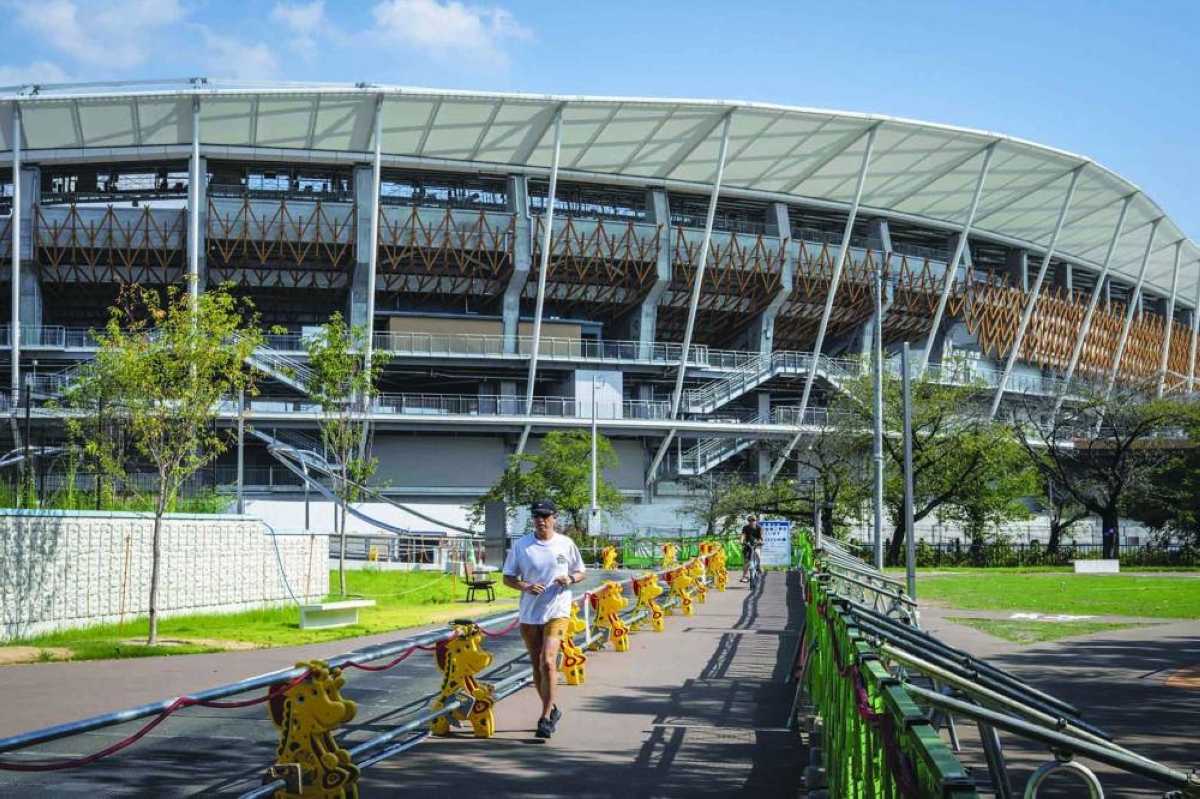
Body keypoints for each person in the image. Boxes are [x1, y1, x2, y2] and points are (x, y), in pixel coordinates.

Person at [502, 498, 586, 739]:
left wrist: (570, 579)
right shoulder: (522, 546)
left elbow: (580, 571)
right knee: (537, 664)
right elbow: (507, 577)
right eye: (536, 516)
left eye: (545, 516)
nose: (540, 520)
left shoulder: (565, 544)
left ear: (554, 518)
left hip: (557, 611)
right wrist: (525, 586)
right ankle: (552, 707)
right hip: (530, 614)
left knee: (548, 661)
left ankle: (545, 716)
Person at [740, 515, 763, 582]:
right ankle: (745, 576)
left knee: (757, 553)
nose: (751, 522)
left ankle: (758, 566)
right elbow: (743, 535)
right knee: (746, 561)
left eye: (753, 520)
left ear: (756, 521)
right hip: (748, 545)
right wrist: (741, 541)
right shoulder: (745, 528)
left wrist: (762, 541)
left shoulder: (759, 528)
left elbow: (761, 537)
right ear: (748, 521)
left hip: (756, 544)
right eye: (750, 520)